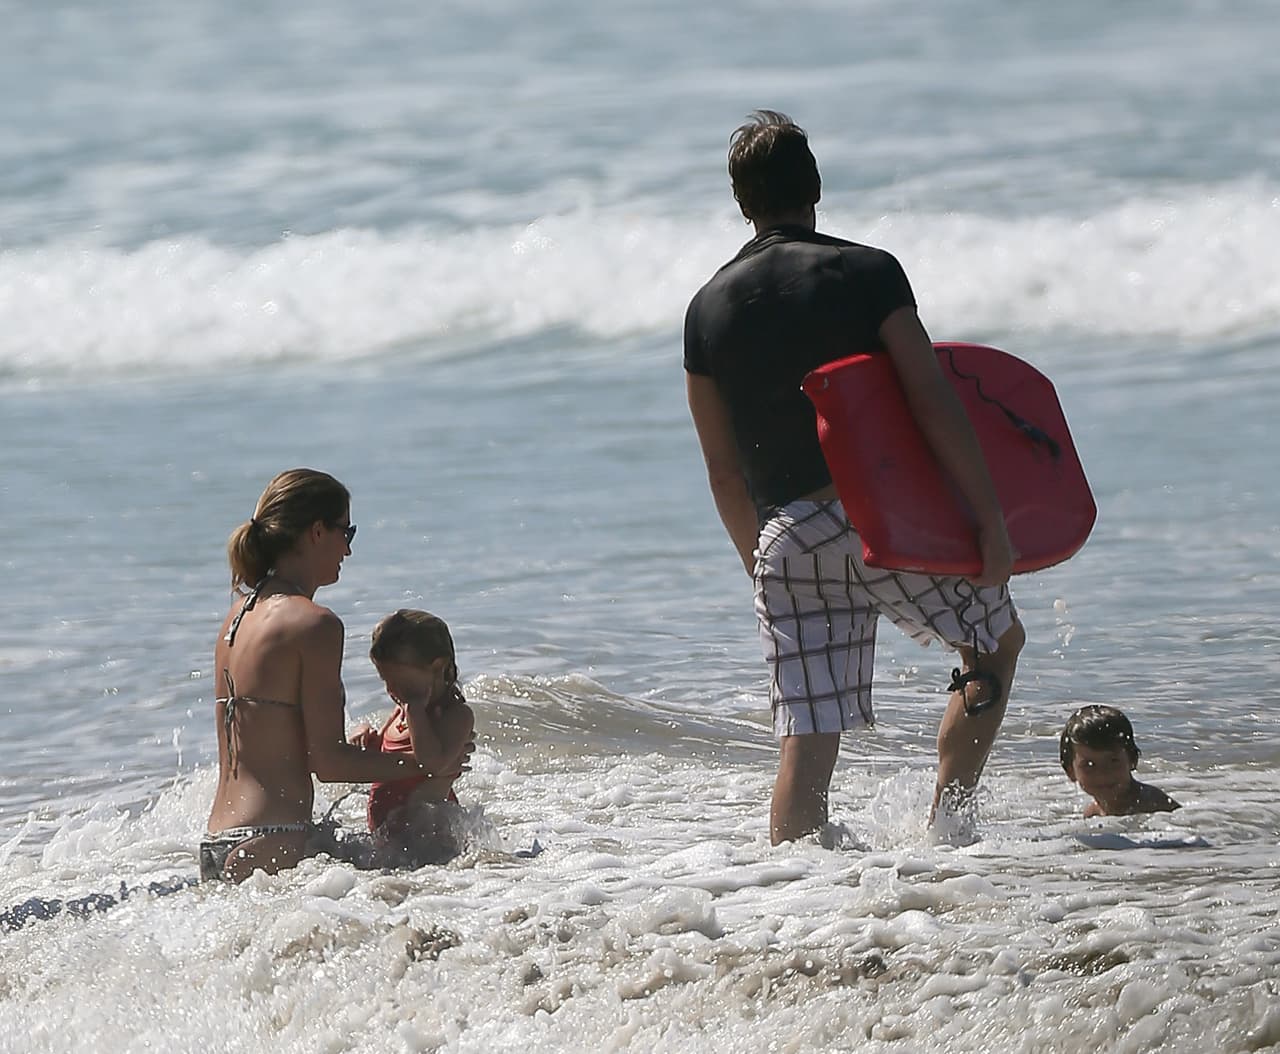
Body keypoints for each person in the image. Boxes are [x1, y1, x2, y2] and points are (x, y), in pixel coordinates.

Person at [683, 111, 1025, 845]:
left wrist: (762, 566)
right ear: (815, 186)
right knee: (993, 643)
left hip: (783, 538)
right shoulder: (867, 272)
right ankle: (949, 824)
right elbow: (930, 399)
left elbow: (721, 470)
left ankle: (790, 898)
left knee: (808, 738)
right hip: (879, 522)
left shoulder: (705, 309)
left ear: (742, 202)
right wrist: (989, 520)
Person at [202, 468, 436, 883]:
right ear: (316, 532)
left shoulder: (236, 619)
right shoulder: (315, 624)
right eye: (346, 532)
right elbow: (327, 763)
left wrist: (364, 751)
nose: (347, 550)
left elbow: (272, 746)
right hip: (275, 841)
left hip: (218, 842)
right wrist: (425, 764)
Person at [350, 609, 475, 860]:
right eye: (385, 681)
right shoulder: (401, 712)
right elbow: (381, 762)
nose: (392, 690)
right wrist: (365, 737)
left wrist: (415, 710)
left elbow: (431, 763)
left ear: (438, 667)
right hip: (391, 839)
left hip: (431, 841)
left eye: (400, 682)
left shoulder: (455, 716)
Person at [1060, 705, 1180, 817]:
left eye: (1113, 761)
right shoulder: (1093, 814)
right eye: (1089, 764)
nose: (1103, 774)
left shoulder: (1153, 806)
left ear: (1132, 760)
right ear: (1070, 771)